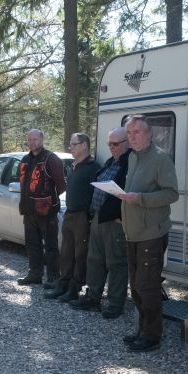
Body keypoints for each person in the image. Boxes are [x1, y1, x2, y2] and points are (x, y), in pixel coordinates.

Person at [119, 116, 179, 353]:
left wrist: (140, 199)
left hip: (151, 233)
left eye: (136, 132)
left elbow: (171, 194)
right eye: (129, 133)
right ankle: (142, 330)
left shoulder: (160, 158)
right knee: (135, 286)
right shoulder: (133, 157)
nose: (132, 137)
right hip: (133, 232)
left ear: (149, 134)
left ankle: (152, 336)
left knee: (148, 286)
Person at [70, 127, 131, 319]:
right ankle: (93, 298)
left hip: (115, 221)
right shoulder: (110, 162)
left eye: (115, 144)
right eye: (109, 144)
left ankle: (115, 304)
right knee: (94, 260)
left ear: (127, 143)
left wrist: (122, 214)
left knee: (116, 263)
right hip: (98, 217)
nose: (111, 148)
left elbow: (132, 192)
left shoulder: (130, 162)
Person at [45, 132, 100, 302]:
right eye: (70, 145)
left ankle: (75, 288)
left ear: (85, 145)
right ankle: (63, 283)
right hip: (69, 213)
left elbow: (97, 194)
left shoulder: (93, 167)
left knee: (80, 253)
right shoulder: (74, 166)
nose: (71, 148)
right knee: (66, 251)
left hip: (82, 216)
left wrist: (89, 215)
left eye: (74, 144)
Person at [16, 129, 66, 286]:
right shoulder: (25, 159)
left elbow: (62, 186)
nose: (32, 142)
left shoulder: (52, 159)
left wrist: (47, 200)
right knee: (32, 245)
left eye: (35, 139)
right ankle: (35, 274)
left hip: (47, 212)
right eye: (29, 139)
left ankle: (53, 277)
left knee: (51, 247)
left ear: (42, 139)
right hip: (28, 211)